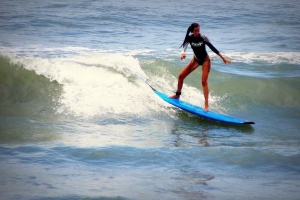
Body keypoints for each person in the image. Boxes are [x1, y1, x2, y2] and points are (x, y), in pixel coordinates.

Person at [169, 23, 231, 111]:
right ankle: (177, 95)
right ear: (192, 31)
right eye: (195, 31)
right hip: (196, 60)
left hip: (205, 61)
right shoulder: (190, 38)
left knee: (204, 82)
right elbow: (184, 47)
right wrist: (183, 54)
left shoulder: (203, 38)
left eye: (198, 30)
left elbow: (212, 47)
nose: (197, 32)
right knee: (181, 76)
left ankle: (206, 105)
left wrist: (223, 58)